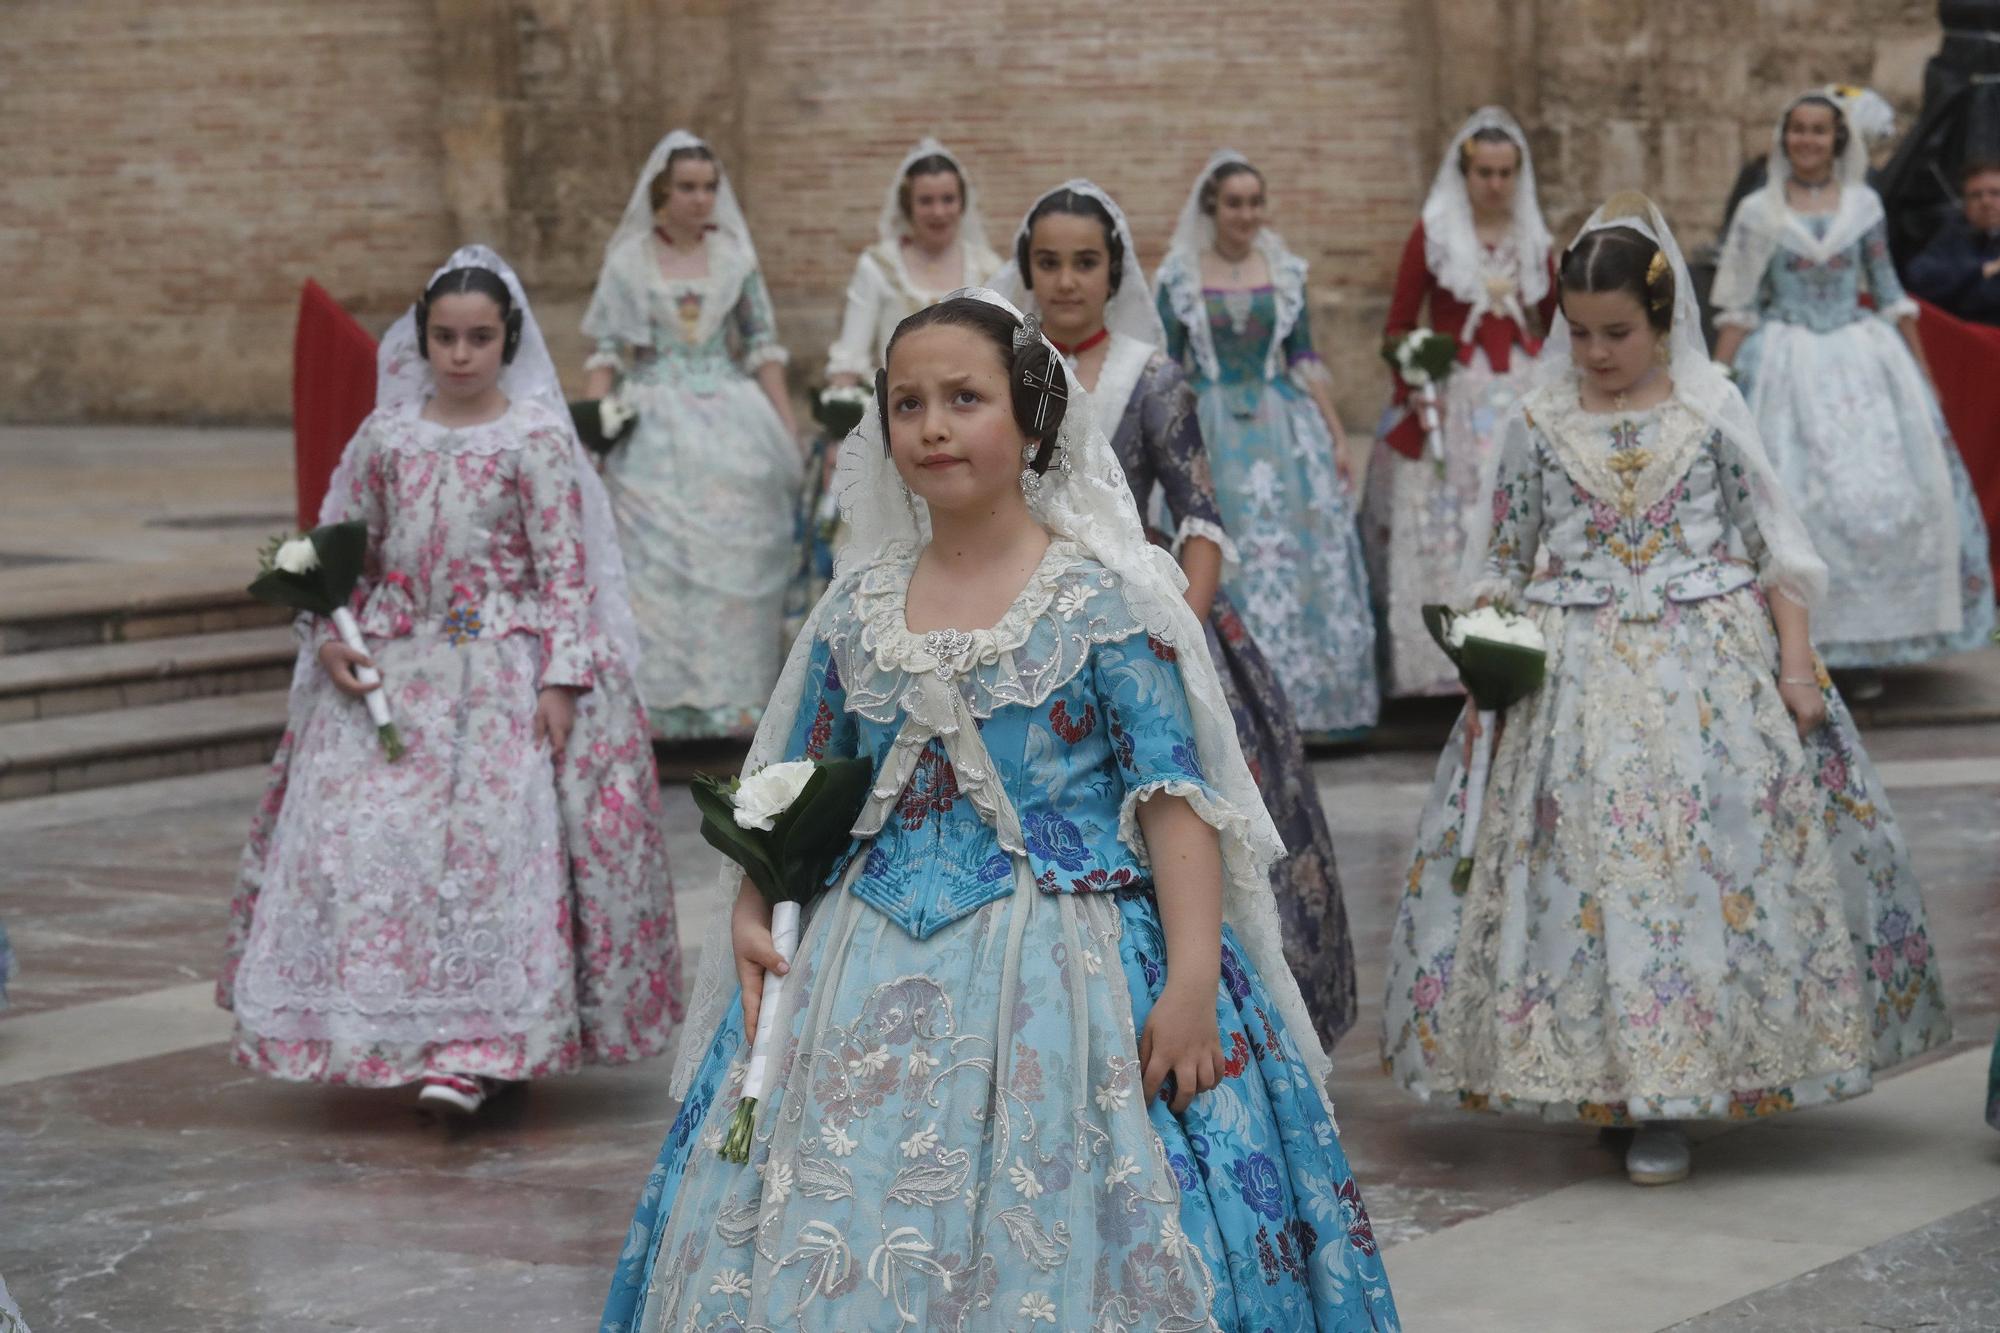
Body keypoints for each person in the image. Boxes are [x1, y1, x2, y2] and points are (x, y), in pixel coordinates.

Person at [601, 291, 1400, 1332]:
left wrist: (1195, 978)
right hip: (857, 966)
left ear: (1031, 419)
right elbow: (796, 787)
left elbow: (1171, 796)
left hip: (1072, 973)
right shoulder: (854, 609)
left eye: (963, 398)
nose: (931, 425)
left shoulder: (1105, 599)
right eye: (906, 403)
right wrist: (755, 905)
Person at [1382, 194, 1950, 1187]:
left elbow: (1772, 544)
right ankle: (1619, 1081)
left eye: (1617, 333)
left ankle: (1685, 1085)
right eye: (1580, 334)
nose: (1596, 353)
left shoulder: (1710, 406)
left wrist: (1792, 665)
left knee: (1703, 874)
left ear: (1660, 322)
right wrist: (1489, 659)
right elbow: (1503, 559)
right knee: (1591, 885)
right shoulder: (1536, 417)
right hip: (1574, 680)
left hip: (1710, 673)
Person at [219, 246, 684, 1116]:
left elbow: (565, 572)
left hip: (503, 666)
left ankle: (482, 1044)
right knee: (372, 844)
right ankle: (385, 1026)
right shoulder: (385, 435)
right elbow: (342, 550)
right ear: (421, 339)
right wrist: (326, 632)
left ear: (507, 341)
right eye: (445, 337)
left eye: (479, 337)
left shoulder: (536, 439)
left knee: (489, 855)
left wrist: (562, 678)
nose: (460, 354)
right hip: (398, 662)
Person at [997, 179, 1358, 1046]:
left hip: (1139, 609)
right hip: (1021, 616)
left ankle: (1212, 999)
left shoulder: (1151, 377)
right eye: (1049, 262)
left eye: (1085, 262)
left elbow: (1200, 520)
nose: (1067, 280)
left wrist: (1178, 635)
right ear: (1027, 270)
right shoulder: (1004, 368)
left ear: (1114, 271)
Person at [1713, 93, 1995, 687]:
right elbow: (1738, 304)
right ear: (1784, 137)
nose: (1809, 141)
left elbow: (1889, 288)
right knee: (1793, 502)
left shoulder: (1864, 205)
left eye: (1820, 131)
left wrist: (1923, 376)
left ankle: (1868, 645)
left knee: (1887, 497)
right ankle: (1801, 646)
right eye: (1799, 130)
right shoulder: (1759, 212)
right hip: (1784, 363)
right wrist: (1716, 380)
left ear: (1837, 141)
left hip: (1862, 360)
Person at [582, 130, 804, 739]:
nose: (700, 198)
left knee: (736, 544)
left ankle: (736, 704)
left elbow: (760, 343)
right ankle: (660, 708)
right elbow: (607, 350)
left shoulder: (735, 256)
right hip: (650, 414)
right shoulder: (629, 258)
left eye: (709, 187)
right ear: (662, 191)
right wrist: (593, 432)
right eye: (687, 187)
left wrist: (786, 430)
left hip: (732, 413)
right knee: (655, 566)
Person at [1155, 151, 1379, 737]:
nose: (1246, 214)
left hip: (1283, 427)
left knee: (1293, 556)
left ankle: (1309, 704)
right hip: (1211, 427)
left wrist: (1333, 435)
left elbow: (1303, 357)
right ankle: (1230, 707)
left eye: (1255, 202)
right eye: (1235, 203)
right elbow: (1168, 368)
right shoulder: (1180, 278)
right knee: (1224, 555)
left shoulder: (1284, 271)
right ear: (1213, 207)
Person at [1367, 107, 1557, 697]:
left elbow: (1557, 326)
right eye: (1485, 173)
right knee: (1448, 520)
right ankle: (1447, 667)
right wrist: (1418, 367)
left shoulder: (1533, 237)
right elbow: (1397, 325)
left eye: (1505, 173)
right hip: (1454, 401)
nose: (1495, 185)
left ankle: (1523, 643)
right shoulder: (1434, 232)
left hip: (1519, 389)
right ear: (1466, 173)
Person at [822, 137, 1003, 386]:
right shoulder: (878, 266)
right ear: (908, 206)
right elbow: (850, 356)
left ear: (962, 204)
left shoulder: (987, 269)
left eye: (948, 199)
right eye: (926, 201)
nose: (938, 212)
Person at [1904, 158, 2000, 324]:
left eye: (1995, 193)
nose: (1985, 202)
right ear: (1965, 205)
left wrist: (1957, 286)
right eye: (1975, 196)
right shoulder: (1955, 233)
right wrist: (1981, 270)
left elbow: (1987, 298)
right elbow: (1918, 277)